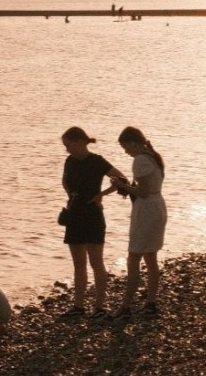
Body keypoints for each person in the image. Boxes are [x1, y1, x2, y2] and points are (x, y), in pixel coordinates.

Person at [59, 126, 128, 319]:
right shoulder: (69, 161)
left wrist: (101, 195)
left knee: (96, 261)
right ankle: (78, 306)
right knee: (78, 263)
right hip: (74, 213)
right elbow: (64, 181)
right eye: (65, 146)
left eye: (69, 145)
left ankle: (99, 307)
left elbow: (121, 178)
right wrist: (70, 196)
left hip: (93, 214)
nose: (67, 149)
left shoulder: (96, 161)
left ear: (80, 142)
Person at [108, 127, 168, 320]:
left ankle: (126, 306)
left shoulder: (140, 160)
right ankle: (151, 302)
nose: (126, 152)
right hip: (157, 205)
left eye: (125, 147)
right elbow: (148, 187)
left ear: (133, 143)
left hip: (147, 209)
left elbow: (142, 192)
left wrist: (122, 186)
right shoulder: (153, 156)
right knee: (150, 256)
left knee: (133, 257)